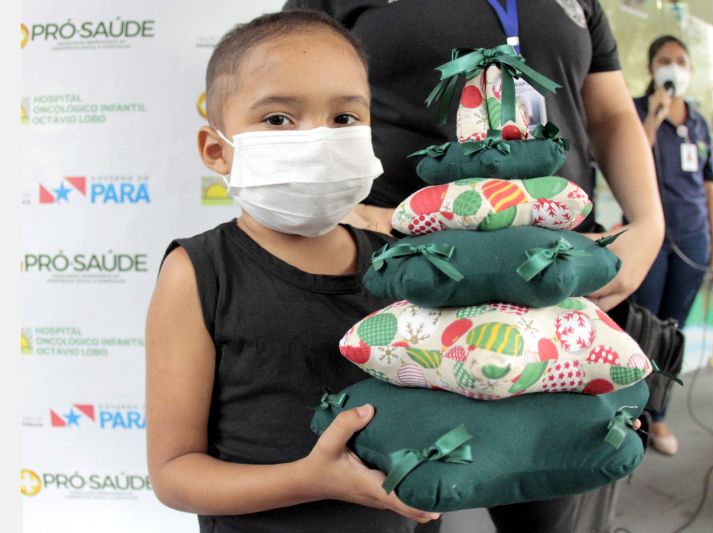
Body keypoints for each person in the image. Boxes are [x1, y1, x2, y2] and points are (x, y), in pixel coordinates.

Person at [283, 1, 664, 531]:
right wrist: (334, 207)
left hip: (553, 271)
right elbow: (287, 96)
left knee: (551, 499)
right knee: (410, 492)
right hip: (409, 273)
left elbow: (609, 111)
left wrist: (648, 222)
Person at [145, 10, 442, 532]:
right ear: (217, 150)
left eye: (345, 119)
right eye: (278, 119)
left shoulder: (401, 265)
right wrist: (313, 478)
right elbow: (174, 474)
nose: (320, 140)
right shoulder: (198, 274)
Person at [630, 35, 713, 457]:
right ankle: (631, 413)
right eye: (666, 60)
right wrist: (654, 116)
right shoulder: (635, 110)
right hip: (651, 236)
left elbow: (711, 188)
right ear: (652, 68)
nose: (674, 67)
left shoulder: (700, 123)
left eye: (681, 61)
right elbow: (630, 159)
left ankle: (661, 415)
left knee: (674, 332)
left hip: (693, 236)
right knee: (642, 326)